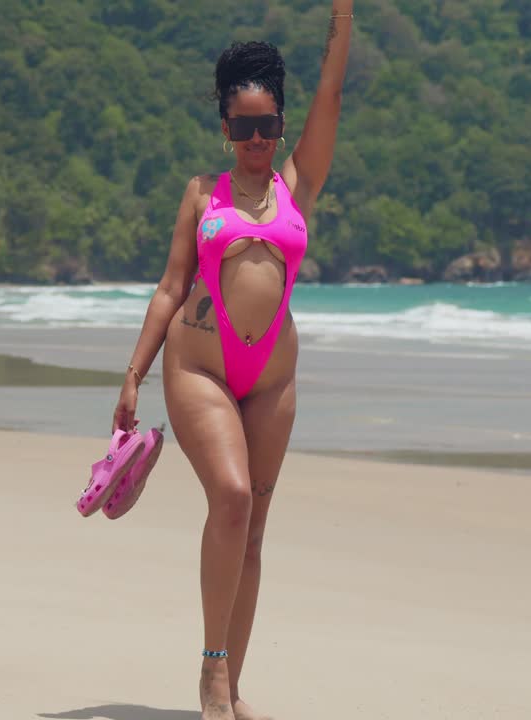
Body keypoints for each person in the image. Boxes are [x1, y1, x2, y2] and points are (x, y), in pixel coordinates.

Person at [111, 5, 353, 719]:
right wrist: (134, 373)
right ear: (225, 127)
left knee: (254, 530)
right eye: (243, 126)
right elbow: (169, 287)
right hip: (200, 369)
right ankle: (212, 673)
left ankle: (234, 687)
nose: (256, 138)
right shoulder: (201, 195)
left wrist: (342, 15)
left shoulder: (298, 184)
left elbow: (334, 92)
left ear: (282, 127)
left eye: (268, 126)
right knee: (233, 498)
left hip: (272, 377)